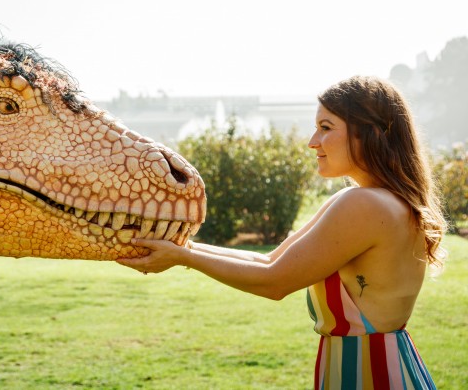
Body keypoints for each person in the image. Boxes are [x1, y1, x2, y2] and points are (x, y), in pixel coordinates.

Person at [117, 76, 446, 389]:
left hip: (367, 375)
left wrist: (183, 256)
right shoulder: (390, 201)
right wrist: (184, 249)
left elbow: (274, 281)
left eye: (325, 128)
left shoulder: (362, 204)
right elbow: (270, 260)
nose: (312, 141)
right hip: (392, 367)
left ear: (366, 132)